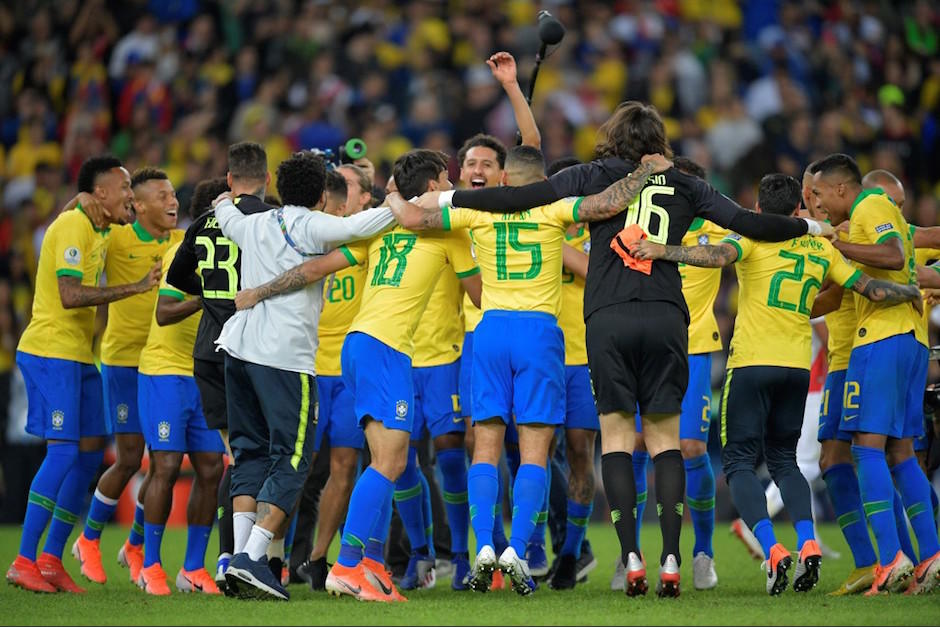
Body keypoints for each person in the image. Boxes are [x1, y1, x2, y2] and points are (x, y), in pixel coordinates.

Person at [416, 101, 832, 596]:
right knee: (665, 442)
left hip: (607, 318)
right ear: (658, 141)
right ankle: (673, 561)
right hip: (665, 316)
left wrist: (447, 200)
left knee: (615, 440)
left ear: (613, 137)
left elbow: (520, 200)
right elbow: (750, 223)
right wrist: (811, 227)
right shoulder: (684, 182)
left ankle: (631, 558)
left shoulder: (593, 175)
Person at [632, 172, 920, 595]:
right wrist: (908, 291)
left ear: (760, 210)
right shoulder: (821, 246)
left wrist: (662, 250)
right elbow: (868, 288)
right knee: (785, 461)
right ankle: (806, 540)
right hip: (796, 369)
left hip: (750, 364)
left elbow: (713, 257)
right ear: (798, 210)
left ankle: (772, 548)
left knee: (739, 464)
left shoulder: (752, 236)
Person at [215, 150, 398, 601]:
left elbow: (224, 214)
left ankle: (236, 561)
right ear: (320, 195)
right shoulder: (313, 225)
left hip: (237, 349)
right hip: (284, 357)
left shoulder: (252, 222)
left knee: (250, 455)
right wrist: (409, 203)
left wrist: (223, 200)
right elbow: (363, 225)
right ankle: (251, 558)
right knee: (295, 457)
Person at [7, 155, 160, 594]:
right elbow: (70, 294)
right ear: (101, 193)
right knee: (62, 451)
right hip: (50, 350)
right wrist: (133, 288)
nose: (130, 194)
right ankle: (23, 560)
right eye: (124, 186)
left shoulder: (103, 229)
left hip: (79, 356)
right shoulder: (74, 225)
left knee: (92, 453)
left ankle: (52, 560)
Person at [812, 154, 940, 594]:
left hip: (878, 340)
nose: (818, 203)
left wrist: (835, 248)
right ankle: (931, 557)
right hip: (911, 340)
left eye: (820, 193)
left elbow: (893, 255)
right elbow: (912, 248)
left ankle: (888, 559)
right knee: (902, 453)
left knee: (866, 449)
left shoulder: (869, 206)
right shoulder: (879, 214)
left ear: (842, 190)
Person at [166, 141, 276, 590]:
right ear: (266, 180)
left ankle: (227, 558)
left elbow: (176, 277)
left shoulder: (204, 222)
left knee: (237, 456)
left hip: (208, 350)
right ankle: (250, 558)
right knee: (262, 455)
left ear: (229, 180)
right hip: (253, 349)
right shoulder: (269, 220)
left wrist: (210, 293)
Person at [73, 167, 183, 587]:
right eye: (162, 196)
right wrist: (81, 199)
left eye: (173, 194)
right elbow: (78, 219)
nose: (172, 202)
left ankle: (136, 545)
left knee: (163, 462)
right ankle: (89, 538)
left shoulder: (180, 242)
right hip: (123, 362)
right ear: (137, 204)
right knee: (131, 458)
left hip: (166, 364)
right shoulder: (117, 238)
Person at [623, 156, 725, 592]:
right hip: (644, 346)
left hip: (696, 346)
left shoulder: (718, 229)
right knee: (637, 444)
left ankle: (702, 552)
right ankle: (632, 553)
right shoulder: (644, 225)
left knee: (689, 446)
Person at [135, 226, 225, 596]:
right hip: (165, 372)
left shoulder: (230, 258)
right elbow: (164, 313)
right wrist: (205, 301)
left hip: (202, 372)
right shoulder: (184, 253)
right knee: (167, 465)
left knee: (210, 467)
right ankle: (150, 565)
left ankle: (191, 568)